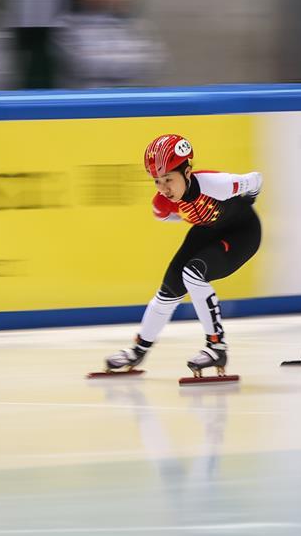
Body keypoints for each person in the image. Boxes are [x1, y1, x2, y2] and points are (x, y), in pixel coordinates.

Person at [104, 134, 262, 377]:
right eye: (157, 181)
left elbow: (255, 180)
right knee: (169, 288)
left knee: (193, 273)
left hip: (242, 233)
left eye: (168, 179)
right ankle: (139, 349)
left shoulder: (217, 184)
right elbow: (171, 216)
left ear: (187, 172)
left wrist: (246, 204)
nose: (164, 188)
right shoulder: (162, 204)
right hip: (207, 231)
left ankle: (216, 346)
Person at [51, 0, 164, 88]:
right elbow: (85, 65)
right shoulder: (68, 25)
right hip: (86, 96)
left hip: (131, 95)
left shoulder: (139, 25)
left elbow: (154, 63)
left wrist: (106, 58)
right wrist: (130, 59)